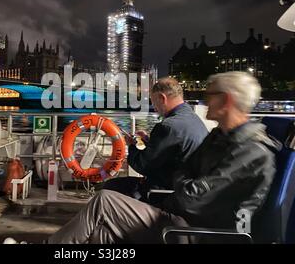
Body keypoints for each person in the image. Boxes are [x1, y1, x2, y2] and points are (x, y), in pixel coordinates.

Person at [48, 71, 281, 244]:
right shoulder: (219, 136)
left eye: (210, 95)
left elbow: (191, 196)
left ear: (227, 100)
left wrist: (184, 182)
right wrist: (185, 180)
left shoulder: (251, 151)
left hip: (197, 232)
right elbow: (186, 173)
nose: (204, 99)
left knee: (105, 200)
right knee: (101, 235)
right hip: (183, 215)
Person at [103, 77, 208, 201]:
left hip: (164, 192)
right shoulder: (193, 119)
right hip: (188, 190)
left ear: (162, 98)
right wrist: (148, 140)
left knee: (109, 187)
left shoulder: (167, 126)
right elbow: (171, 151)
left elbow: (141, 165)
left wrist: (131, 145)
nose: (155, 108)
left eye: (154, 102)